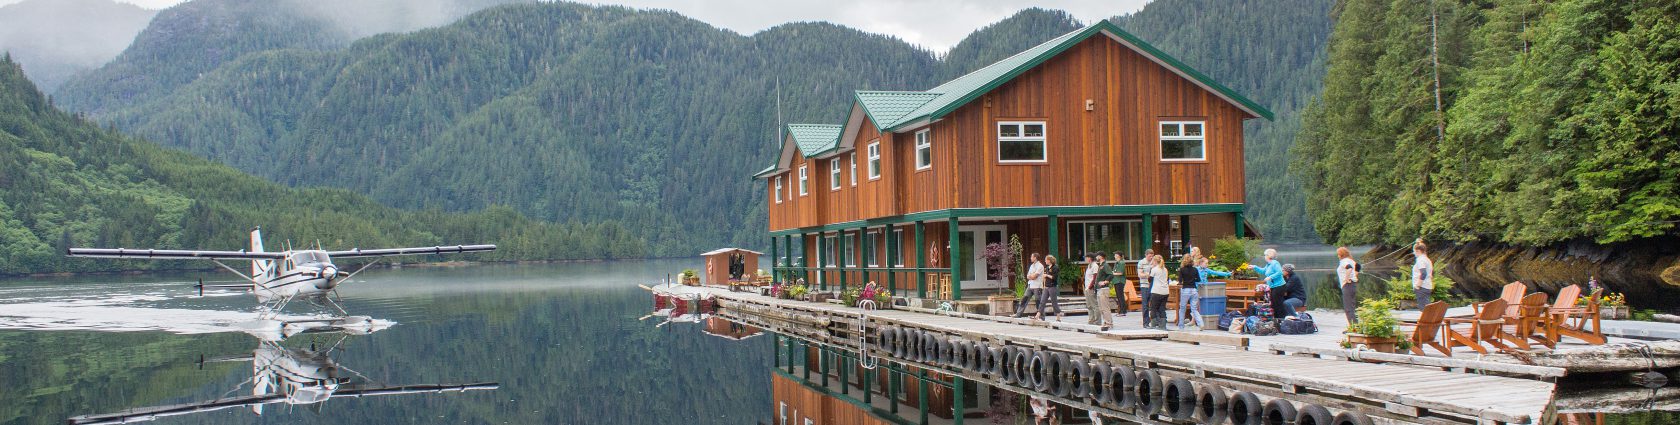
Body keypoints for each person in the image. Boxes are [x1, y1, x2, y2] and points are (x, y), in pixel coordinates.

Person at [1083, 253, 1111, 327]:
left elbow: (1095, 277)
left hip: (1091, 288)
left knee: (1095, 305)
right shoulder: (1089, 266)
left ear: (1089, 258)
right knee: (1089, 305)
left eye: (1086, 257)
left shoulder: (1095, 265)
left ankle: (1098, 321)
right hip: (1087, 287)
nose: (1085, 259)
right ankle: (1091, 320)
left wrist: (1090, 287)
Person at [1177, 255, 1203, 330]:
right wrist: (1193, 279)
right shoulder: (1195, 269)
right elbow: (1198, 279)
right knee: (1194, 308)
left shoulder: (1182, 270)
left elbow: (1180, 281)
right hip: (1194, 290)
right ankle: (1201, 324)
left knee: (1182, 308)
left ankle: (1181, 326)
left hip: (1185, 289)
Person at [1015, 253, 1045, 318]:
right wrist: (1031, 276)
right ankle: (1018, 314)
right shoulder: (1031, 266)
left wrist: (1031, 276)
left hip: (1037, 286)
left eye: (1031, 257)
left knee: (1038, 301)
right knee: (1024, 299)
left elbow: (1035, 276)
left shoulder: (1040, 266)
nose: (1030, 258)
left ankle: (1041, 317)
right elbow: (1028, 276)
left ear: (1035, 258)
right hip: (1030, 285)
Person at [1336, 246, 1360, 324]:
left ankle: (1353, 326)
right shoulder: (1351, 260)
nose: (1338, 256)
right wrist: (1355, 275)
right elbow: (1358, 266)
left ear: (1341, 255)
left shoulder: (1344, 261)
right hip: (1353, 285)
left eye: (1338, 254)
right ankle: (1355, 325)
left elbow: (1349, 268)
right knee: (1352, 306)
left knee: (1348, 308)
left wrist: (1346, 279)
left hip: (1347, 285)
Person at [1148, 254, 1170, 329]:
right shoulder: (1165, 269)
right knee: (1162, 308)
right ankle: (1163, 325)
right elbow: (1167, 279)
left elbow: (1150, 280)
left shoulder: (1154, 269)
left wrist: (1151, 269)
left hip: (1156, 291)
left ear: (1155, 261)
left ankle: (1153, 324)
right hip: (1165, 291)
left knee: (1153, 308)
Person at [1040, 255, 1065, 321]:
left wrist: (1047, 275)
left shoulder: (1055, 267)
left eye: (1046, 260)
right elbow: (1045, 278)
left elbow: (1054, 277)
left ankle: (1058, 317)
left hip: (1052, 286)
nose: (1045, 261)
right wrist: (1044, 286)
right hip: (1046, 286)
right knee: (1042, 301)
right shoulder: (1047, 268)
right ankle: (1037, 316)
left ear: (1049, 260)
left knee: (1054, 302)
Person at [1137, 249, 1156, 326]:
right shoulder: (1141, 262)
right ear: (1146, 255)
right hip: (1144, 285)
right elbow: (1140, 275)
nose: (1151, 258)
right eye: (1149, 256)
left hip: (1153, 286)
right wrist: (1148, 274)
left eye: (1152, 256)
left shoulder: (1154, 262)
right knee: (1145, 304)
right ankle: (1145, 322)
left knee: (1154, 304)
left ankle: (1154, 321)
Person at [1412, 241, 1433, 308]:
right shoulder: (1427, 259)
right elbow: (1431, 273)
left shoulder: (1420, 260)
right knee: (1427, 307)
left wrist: (1418, 285)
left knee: (1424, 308)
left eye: (1414, 251)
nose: (1414, 253)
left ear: (1418, 251)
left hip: (1422, 287)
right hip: (1427, 286)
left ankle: (1429, 316)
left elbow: (1423, 273)